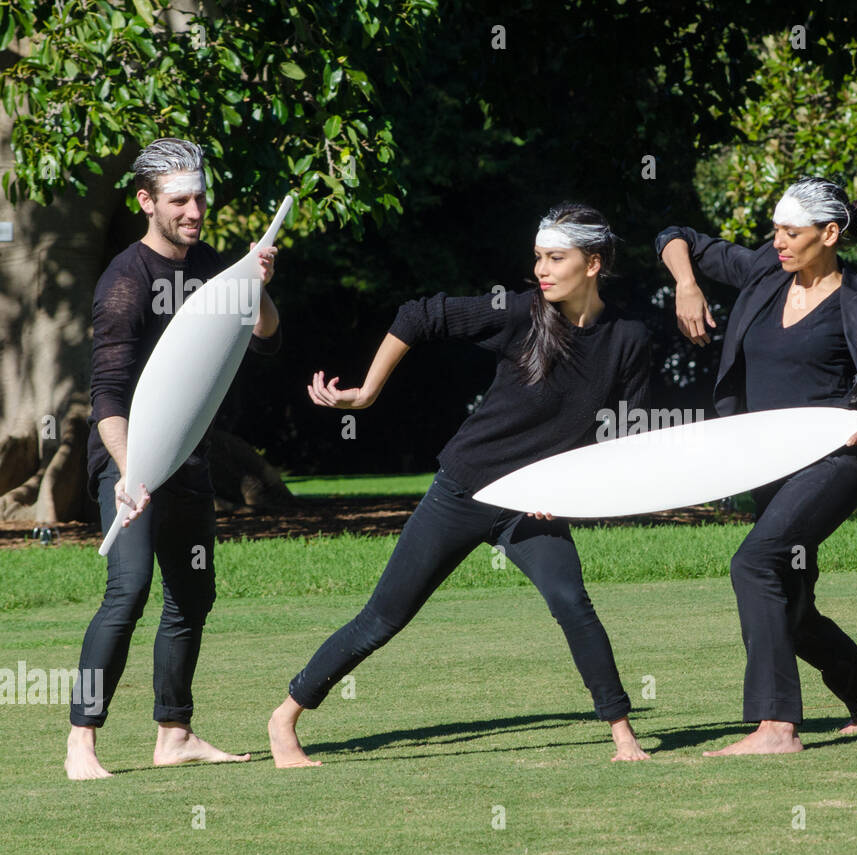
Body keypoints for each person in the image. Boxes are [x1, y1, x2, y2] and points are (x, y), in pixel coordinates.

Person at [268, 203, 651, 766]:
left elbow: (623, 439)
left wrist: (569, 490)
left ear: (593, 264)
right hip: (464, 488)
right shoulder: (521, 312)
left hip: (533, 503)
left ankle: (623, 737)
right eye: (539, 257)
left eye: (556, 258)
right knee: (382, 619)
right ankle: (285, 718)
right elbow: (419, 315)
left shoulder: (629, 339)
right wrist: (368, 393)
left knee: (572, 602)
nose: (542, 269)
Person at [657, 177, 857, 755]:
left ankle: (776, 727)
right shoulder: (763, 273)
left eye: (791, 232)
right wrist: (686, 285)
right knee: (792, 608)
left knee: (753, 564)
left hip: (831, 465)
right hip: (768, 470)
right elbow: (675, 236)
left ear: (830, 234)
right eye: (776, 228)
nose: (778, 240)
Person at [65, 138, 282, 779]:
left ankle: (175, 734)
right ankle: (82, 743)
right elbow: (106, 395)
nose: (194, 210)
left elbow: (266, 338)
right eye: (180, 200)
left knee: (192, 594)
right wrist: (131, 473)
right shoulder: (124, 282)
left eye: (200, 198)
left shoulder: (213, 265)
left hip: (187, 455)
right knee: (128, 591)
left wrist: (256, 283)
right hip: (125, 457)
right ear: (146, 202)